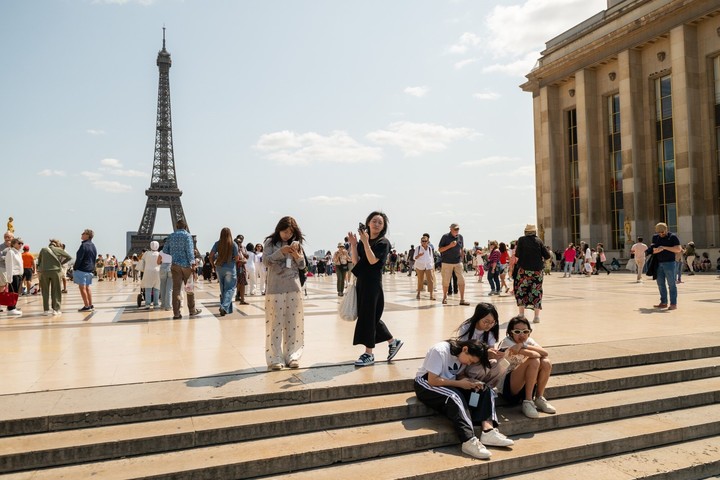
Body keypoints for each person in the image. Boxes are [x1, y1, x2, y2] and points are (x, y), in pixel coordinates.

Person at [414, 339, 514, 461]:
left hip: (449, 383)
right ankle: (468, 440)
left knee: (484, 389)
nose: (468, 364)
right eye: (470, 360)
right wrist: (459, 384)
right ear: (465, 349)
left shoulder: (462, 357)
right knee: (454, 397)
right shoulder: (439, 350)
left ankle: (488, 431)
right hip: (426, 384)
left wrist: (472, 383)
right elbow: (432, 380)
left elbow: (459, 375)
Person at [348, 211, 403, 367]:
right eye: (374, 221)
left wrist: (365, 242)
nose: (377, 224)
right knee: (369, 316)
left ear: (383, 226)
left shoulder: (383, 242)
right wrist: (354, 244)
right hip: (362, 282)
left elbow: (372, 261)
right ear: (368, 223)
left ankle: (369, 353)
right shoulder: (362, 241)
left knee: (369, 317)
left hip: (373, 284)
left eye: (380, 222)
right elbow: (356, 261)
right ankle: (393, 342)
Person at [263, 216, 306, 370]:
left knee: (293, 324)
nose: (287, 235)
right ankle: (274, 357)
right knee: (275, 324)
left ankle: (293, 355)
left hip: (294, 287)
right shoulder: (270, 243)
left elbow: (302, 266)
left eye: (290, 232)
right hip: (275, 289)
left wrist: (296, 255)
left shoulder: (296, 244)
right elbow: (266, 261)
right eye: (284, 231)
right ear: (278, 229)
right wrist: (281, 252)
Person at [496, 316, 556, 419]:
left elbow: (545, 353)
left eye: (525, 331)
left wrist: (524, 346)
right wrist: (524, 348)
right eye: (517, 331)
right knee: (534, 360)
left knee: (546, 362)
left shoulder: (528, 342)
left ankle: (539, 398)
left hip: (525, 384)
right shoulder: (507, 342)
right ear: (511, 333)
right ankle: (528, 401)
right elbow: (534, 355)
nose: (522, 334)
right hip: (508, 387)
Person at [513, 224, 551, 324]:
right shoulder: (539, 240)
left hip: (524, 270)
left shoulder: (521, 240)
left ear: (526, 231)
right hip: (537, 271)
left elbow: (517, 255)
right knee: (536, 291)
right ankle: (536, 317)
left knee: (521, 290)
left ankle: (521, 315)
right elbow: (547, 255)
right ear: (534, 231)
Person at [164, 219, 200, 319]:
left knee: (176, 290)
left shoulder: (171, 236)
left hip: (175, 266)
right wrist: (192, 264)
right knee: (189, 289)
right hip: (186, 266)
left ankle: (176, 313)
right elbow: (189, 251)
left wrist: (174, 254)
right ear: (185, 227)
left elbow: (165, 250)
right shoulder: (187, 235)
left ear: (176, 226)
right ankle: (192, 310)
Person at [648, 222, 681, 310]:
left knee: (671, 284)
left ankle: (673, 304)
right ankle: (663, 302)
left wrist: (665, 247)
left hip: (670, 263)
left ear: (666, 229)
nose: (661, 234)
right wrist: (656, 250)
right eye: (659, 233)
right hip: (658, 263)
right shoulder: (655, 237)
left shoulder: (672, 237)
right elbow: (652, 250)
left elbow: (678, 249)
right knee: (660, 284)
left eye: (662, 232)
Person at [37, 239, 72, 315]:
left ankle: (46, 310)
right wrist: (60, 263)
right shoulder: (58, 249)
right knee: (56, 290)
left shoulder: (43, 249)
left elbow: (39, 261)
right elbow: (69, 257)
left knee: (45, 291)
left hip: (44, 272)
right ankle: (56, 309)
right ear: (57, 244)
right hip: (56, 271)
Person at [438, 223, 469, 306]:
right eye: (455, 229)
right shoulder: (445, 237)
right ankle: (445, 297)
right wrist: (450, 246)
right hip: (447, 262)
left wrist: (462, 257)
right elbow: (440, 249)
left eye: (458, 229)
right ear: (450, 229)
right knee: (446, 281)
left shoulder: (460, 237)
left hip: (458, 262)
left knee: (461, 280)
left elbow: (461, 248)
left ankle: (462, 299)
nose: (457, 231)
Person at [210, 227, 238, 316]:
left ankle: (227, 310)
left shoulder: (217, 244)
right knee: (230, 288)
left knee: (223, 289)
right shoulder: (233, 244)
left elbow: (211, 256)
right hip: (230, 267)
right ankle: (224, 306)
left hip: (219, 267)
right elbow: (237, 258)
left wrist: (213, 265)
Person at [74, 229, 97, 312]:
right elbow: (94, 258)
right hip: (89, 269)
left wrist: (75, 267)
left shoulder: (84, 245)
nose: (81, 234)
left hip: (82, 269)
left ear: (87, 235)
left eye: (83, 233)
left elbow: (79, 258)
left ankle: (86, 306)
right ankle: (90, 305)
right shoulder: (93, 245)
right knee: (87, 287)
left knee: (82, 287)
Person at [4, 238, 25, 316]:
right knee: (12, 292)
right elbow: (9, 265)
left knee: (16, 292)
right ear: (13, 244)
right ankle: (11, 308)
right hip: (13, 275)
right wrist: (9, 278)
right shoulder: (11, 252)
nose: (21, 245)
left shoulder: (18, 252)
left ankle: (13, 306)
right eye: (19, 243)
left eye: (22, 243)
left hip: (18, 275)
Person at [138, 241, 161, 310]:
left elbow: (142, 260)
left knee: (148, 288)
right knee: (156, 288)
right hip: (157, 271)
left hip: (148, 271)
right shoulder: (159, 254)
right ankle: (156, 304)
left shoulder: (146, 253)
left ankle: (147, 304)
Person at [414, 235, 435, 300]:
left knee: (430, 280)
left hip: (428, 266)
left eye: (425, 241)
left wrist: (432, 265)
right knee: (420, 280)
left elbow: (431, 257)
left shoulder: (429, 248)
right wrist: (419, 255)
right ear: (421, 242)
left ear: (428, 241)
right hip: (420, 266)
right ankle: (418, 293)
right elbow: (414, 257)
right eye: (423, 241)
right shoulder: (418, 248)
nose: (424, 242)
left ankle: (431, 295)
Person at [157, 244, 173, 311]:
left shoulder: (161, 251)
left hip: (163, 268)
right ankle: (168, 306)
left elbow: (158, 262)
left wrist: (162, 262)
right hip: (171, 267)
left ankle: (163, 304)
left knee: (162, 287)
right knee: (169, 289)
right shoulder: (173, 251)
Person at [234, 235, 249, 305]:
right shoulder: (233, 249)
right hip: (234, 268)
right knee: (236, 284)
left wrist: (243, 260)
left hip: (241, 268)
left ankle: (242, 299)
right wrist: (239, 261)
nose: (239, 243)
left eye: (240, 242)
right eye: (238, 242)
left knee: (242, 283)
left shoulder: (242, 248)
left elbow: (246, 257)